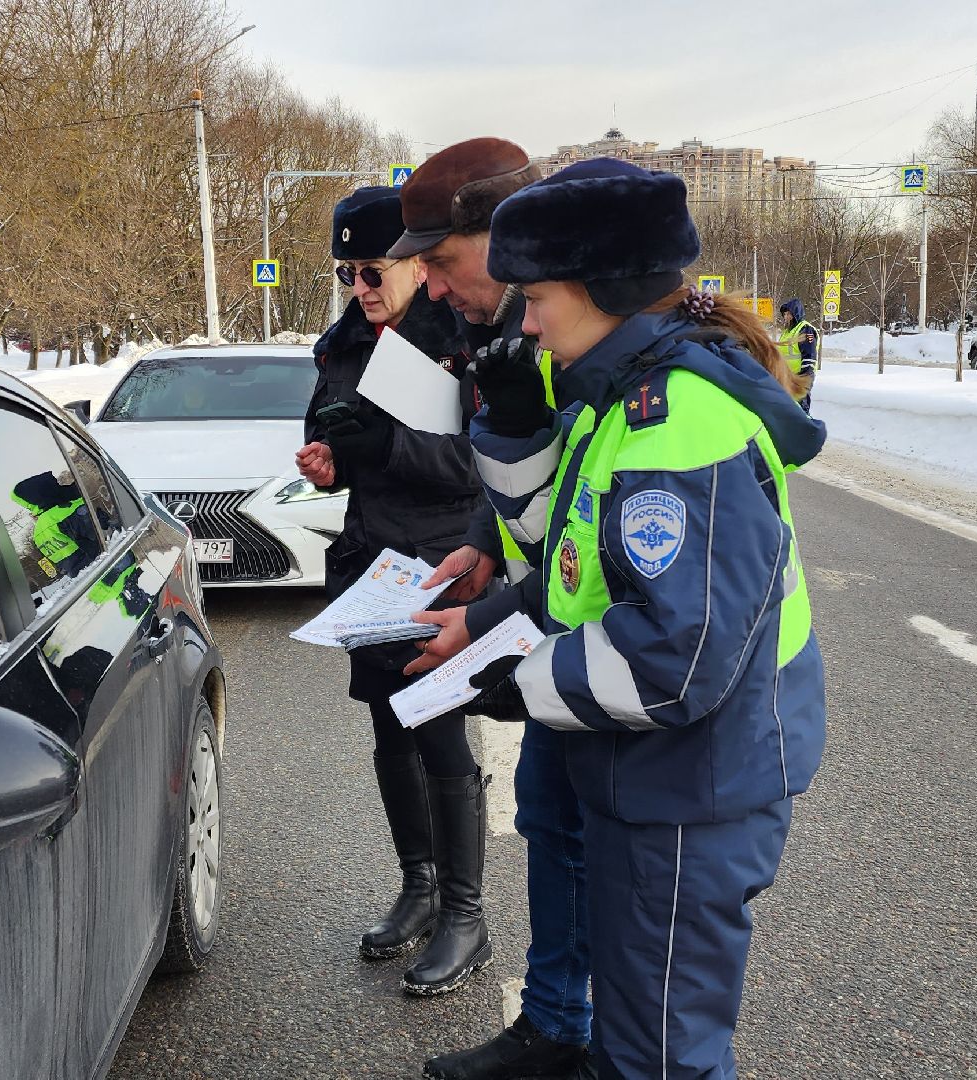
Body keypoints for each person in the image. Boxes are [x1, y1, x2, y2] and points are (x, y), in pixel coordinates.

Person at [409, 158, 826, 1079]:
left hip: (692, 783)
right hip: (656, 774)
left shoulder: (676, 418)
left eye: (539, 296)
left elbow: (671, 662)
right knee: (634, 1036)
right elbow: (574, 580)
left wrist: (499, 679)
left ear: (603, 291)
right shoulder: (619, 397)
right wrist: (477, 632)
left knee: (660, 1056)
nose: (526, 320)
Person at [389, 139, 598, 1080]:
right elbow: (517, 475)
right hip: (557, 630)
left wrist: (490, 624)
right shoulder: (519, 335)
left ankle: (589, 1035)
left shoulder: (580, 340)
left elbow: (586, 520)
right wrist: (482, 532)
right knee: (551, 827)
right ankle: (552, 1027)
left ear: (505, 238)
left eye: (440, 260)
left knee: (628, 892)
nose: (430, 286)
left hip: (603, 649)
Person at [295, 184, 496, 996]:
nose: (360, 287)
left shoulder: (460, 336)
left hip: (444, 558)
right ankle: (417, 885)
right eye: (346, 272)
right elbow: (324, 431)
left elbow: (479, 465)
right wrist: (325, 462)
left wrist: (385, 445)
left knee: (437, 728)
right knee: (387, 726)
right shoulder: (341, 340)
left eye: (373, 269)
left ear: (415, 265)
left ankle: (464, 913)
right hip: (369, 558)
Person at [778, 298, 819, 411]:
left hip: (800, 377)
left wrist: (804, 378)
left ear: (796, 313)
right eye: (784, 314)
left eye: (789, 314)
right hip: (787, 377)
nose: (786, 317)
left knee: (800, 411)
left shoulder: (805, 330)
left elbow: (809, 356)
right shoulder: (787, 332)